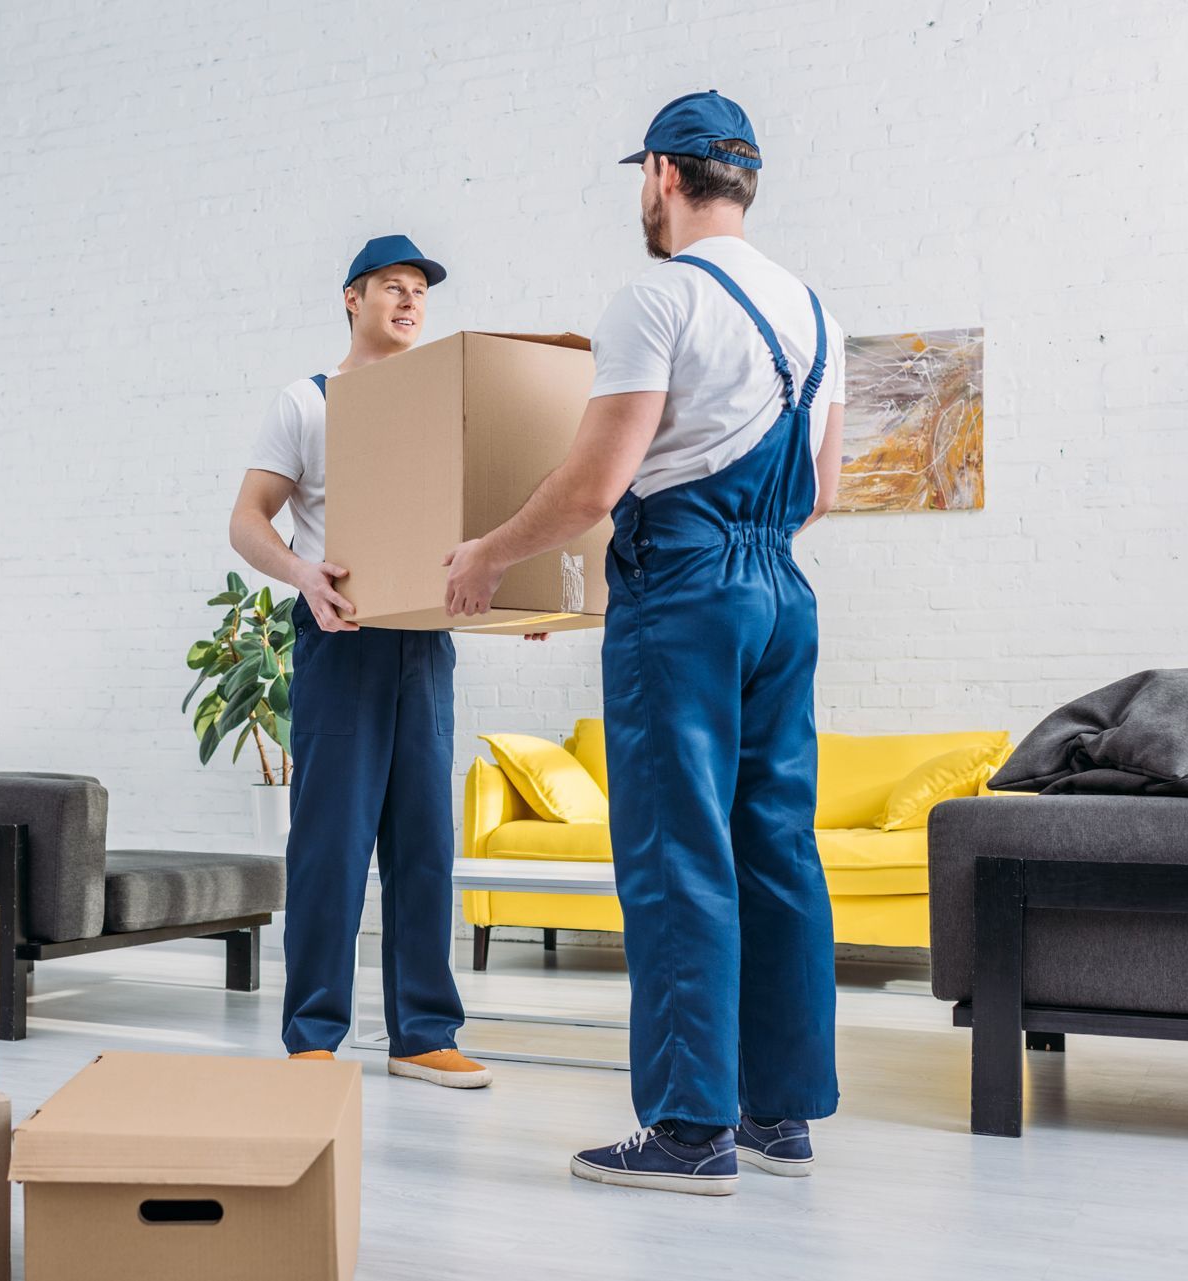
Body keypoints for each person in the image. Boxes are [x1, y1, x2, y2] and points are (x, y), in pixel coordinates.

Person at [442, 91, 846, 1190]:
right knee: (776, 845)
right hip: (781, 591)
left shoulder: (658, 297)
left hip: (686, 594)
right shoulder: (816, 312)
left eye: (643, 178)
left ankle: (686, 1129)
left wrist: (489, 557)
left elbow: (593, 483)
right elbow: (821, 490)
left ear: (664, 174)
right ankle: (778, 1117)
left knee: (676, 850)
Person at [229, 235, 491, 1089]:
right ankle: (313, 1033)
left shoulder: (441, 406)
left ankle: (423, 1034)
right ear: (352, 298)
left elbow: (474, 519)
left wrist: (513, 592)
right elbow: (247, 519)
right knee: (331, 843)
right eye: (392, 287)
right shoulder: (307, 402)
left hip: (426, 639)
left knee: (424, 841)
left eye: (420, 290)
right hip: (340, 638)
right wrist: (301, 572)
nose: (410, 301)